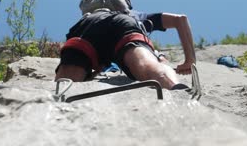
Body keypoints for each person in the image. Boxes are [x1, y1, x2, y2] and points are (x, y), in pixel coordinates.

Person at [55, 9, 194, 90]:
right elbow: (180, 19)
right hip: (123, 22)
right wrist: (190, 60)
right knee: (146, 64)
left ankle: (59, 101)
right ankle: (175, 89)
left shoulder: (92, 12)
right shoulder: (134, 14)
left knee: (67, 80)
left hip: (88, 23)